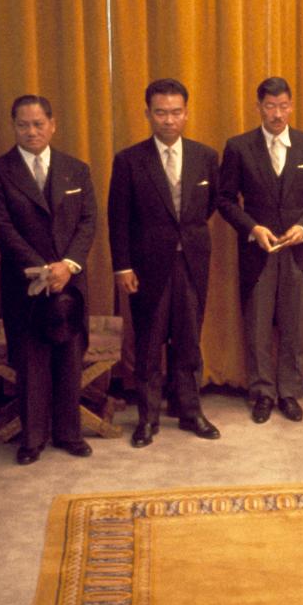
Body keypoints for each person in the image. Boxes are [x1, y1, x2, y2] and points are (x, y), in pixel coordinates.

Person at [0, 95, 96, 465]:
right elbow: (3, 230)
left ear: (53, 124)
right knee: (30, 362)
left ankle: (69, 433)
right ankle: (31, 439)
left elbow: (88, 222)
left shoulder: (76, 169)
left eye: (38, 124)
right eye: (23, 125)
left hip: (71, 282)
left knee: (70, 358)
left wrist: (69, 266)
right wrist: (44, 270)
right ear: (13, 126)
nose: (31, 131)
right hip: (24, 283)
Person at [109, 78, 221, 447]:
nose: (169, 120)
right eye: (161, 113)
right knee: (149, 343)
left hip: (192, 261)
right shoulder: (129, 160)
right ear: (148, 114)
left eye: (176, 112)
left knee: (189, 340)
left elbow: (207, 208)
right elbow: (118, 218)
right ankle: (147, 418)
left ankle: (190, 412)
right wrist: (123, 266)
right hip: (146, 267)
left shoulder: (205, 156)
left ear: (186, 114)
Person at [218, 76, 303, 425]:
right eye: (270, 107)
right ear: (259, 108)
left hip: (297, 253)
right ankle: (262, 392)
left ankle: (290, 393)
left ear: (291, 106)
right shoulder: (238, 147)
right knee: (258, 327)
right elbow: (223, 199)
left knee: (295, 327)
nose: (277, 114)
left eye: (283, 106)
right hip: (258, 251)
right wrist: (252, 228)